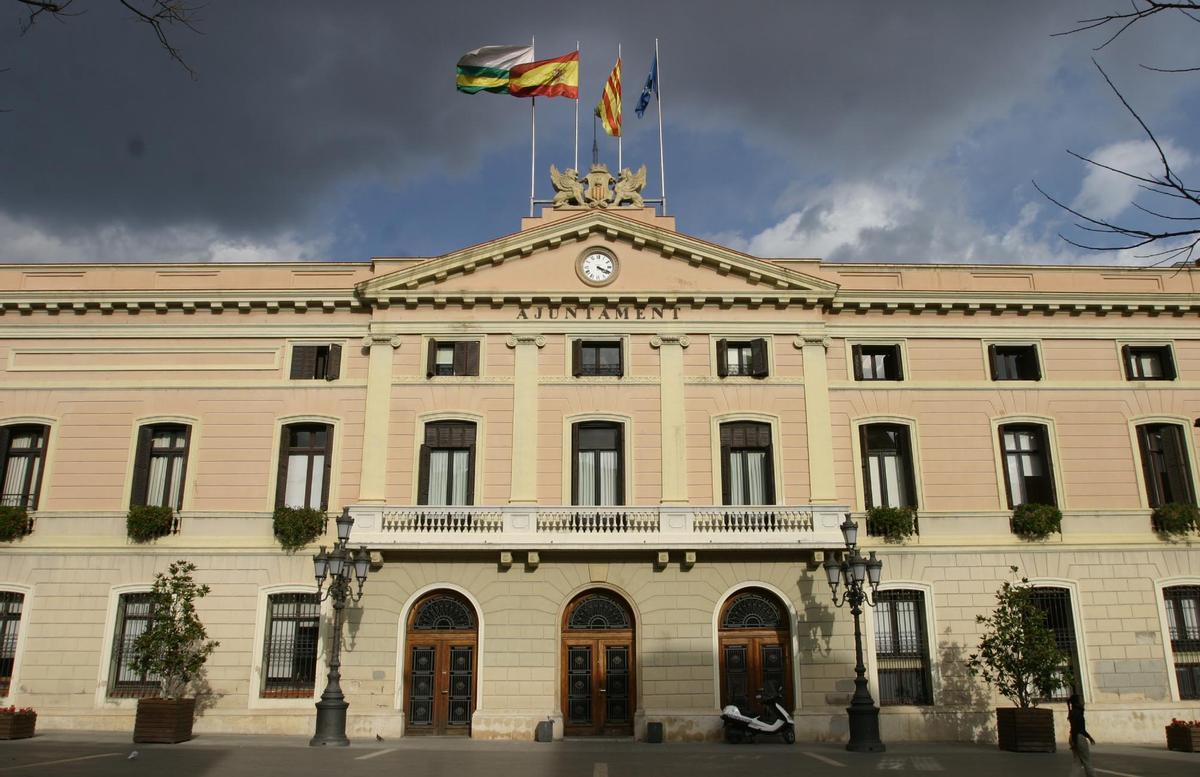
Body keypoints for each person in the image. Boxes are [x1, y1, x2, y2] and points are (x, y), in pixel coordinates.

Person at [1068, 694, 1096, 777]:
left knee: (1077, 762)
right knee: (1087, 761)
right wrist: (1075, 742)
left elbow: (1075, 728)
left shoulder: (1073, 712)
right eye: (1080, 700)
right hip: (1079, 737)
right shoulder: (1077, 712)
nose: (1082, 702)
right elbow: (1077, 729)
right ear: (1077, 702)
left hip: (1075, 737)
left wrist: (1089, 737)